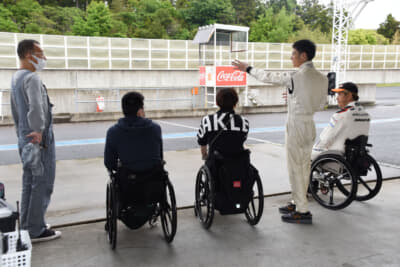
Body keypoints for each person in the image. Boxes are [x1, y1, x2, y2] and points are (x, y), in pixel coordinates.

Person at [232, 39, 328, 224]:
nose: (291, 57)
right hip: (310, 124)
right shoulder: (322, 78)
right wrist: (296, 98)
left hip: (296, 125)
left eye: (293, 54)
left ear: (303, 55)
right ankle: (298, 202)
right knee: (304, 166)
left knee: (295, 168)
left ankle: (302, 210)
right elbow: (320, 104)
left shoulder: (297, 77)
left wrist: (248, 68)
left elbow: (270, 77)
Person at [10, 39, 61, 242]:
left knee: (29, 182)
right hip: (39, 139)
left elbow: (16, 111)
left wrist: (23, 134)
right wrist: (39, 131)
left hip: (25, 137)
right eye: (40, 53)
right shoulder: (32, 78)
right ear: (29, 55)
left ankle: (28, 225)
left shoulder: (16, 78)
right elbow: (37, 108)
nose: (44, 58)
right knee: (42, 182)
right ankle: (36, 229)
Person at [104, 91, 163, 173]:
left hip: (127, 183)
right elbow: (159, 158)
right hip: (154, 182)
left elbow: (109, 164)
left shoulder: (113, 132)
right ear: (140, 111)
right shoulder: (155, 128)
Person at [312, 82, 370, 160]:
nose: (337, 98)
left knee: (304, 154)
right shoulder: (364, 113)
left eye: (339, 94)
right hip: (356, 155)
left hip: (337, 155)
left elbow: (326, 138)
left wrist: (316, 147)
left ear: (349, 96)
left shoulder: (341, 115)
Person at [197, 88, 249, 161]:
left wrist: (204, 156)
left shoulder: (207, 120)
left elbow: (202, 142)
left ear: (217, 102)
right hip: (238, 164)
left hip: (215, 164)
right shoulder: (244, 122)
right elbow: (242, 140)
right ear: (235, 103)